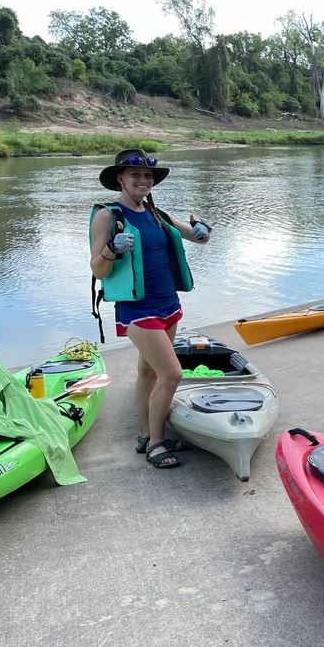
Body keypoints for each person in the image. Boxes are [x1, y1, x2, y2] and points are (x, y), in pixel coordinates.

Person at [88, 149, 212, 469]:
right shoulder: (108, 215)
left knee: (148, 373)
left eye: (147, 176)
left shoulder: (157, 213)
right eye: (135, 175)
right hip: (138, 310)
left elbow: (196, 236)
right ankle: (157, 443)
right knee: (171, 374)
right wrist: (111, 251)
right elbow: (97, 269)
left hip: (169, 305)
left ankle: (144, 434)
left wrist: (203, 231)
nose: (143, 181)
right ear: (120, 178)